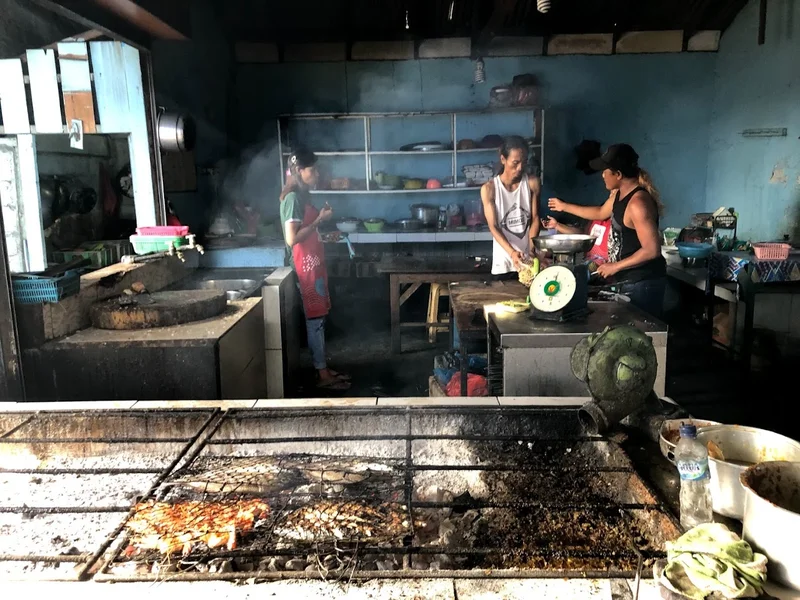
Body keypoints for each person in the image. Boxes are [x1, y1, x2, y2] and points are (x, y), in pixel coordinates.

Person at [547, 143, 666, 318]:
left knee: (640, 337)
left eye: (605, 171)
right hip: (627, 281)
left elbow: (652, 250)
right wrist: (564, 206)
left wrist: (615, 266)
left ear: (618, 174)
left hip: (642, 283)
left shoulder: (638, 203)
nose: (602, 175)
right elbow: (599, 212)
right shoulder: (619, 194)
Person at [280, 149, 351, 391]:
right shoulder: (292, 199)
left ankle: (323, 369)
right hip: (304, 268)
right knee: (315, 321)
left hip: (312, 264)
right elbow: (292, 238)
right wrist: (320, 220)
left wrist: (321, 232)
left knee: (318, 319)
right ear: (300, 171)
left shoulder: (301, 196)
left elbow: (305, 230)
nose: (317, 173)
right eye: (313, 169)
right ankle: (322, 375)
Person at [480, 136, 541, 280]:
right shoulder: (490, 189)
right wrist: (512, 253)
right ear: (503, 159)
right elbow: (493, 227)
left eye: (524, 162)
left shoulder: (532, 183)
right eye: (515, 163)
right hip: (504, 264)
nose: (520, 168)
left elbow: (535, 218)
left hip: (529, 262)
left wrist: (531, 250)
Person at [541, 212, 611, 271]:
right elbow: (581, 235)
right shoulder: (597, 217)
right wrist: (557, 225)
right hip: (582, 263)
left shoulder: (616, 226)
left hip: (599, 272)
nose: (611, 195)